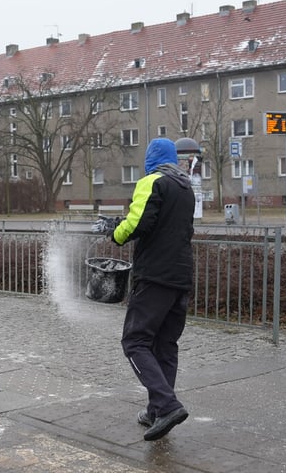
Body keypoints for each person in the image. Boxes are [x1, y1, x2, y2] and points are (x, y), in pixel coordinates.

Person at [93, 137, 195, 441]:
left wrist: (115, 232)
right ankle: (156, 411)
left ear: (151, 159)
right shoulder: (185, 186)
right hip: (181, 276)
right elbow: (161, 222)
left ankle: (167, 405)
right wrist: (121, 222)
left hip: (154, 277)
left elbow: (138, 224)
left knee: (135, 341)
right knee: (165, 344)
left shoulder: (152, 181)